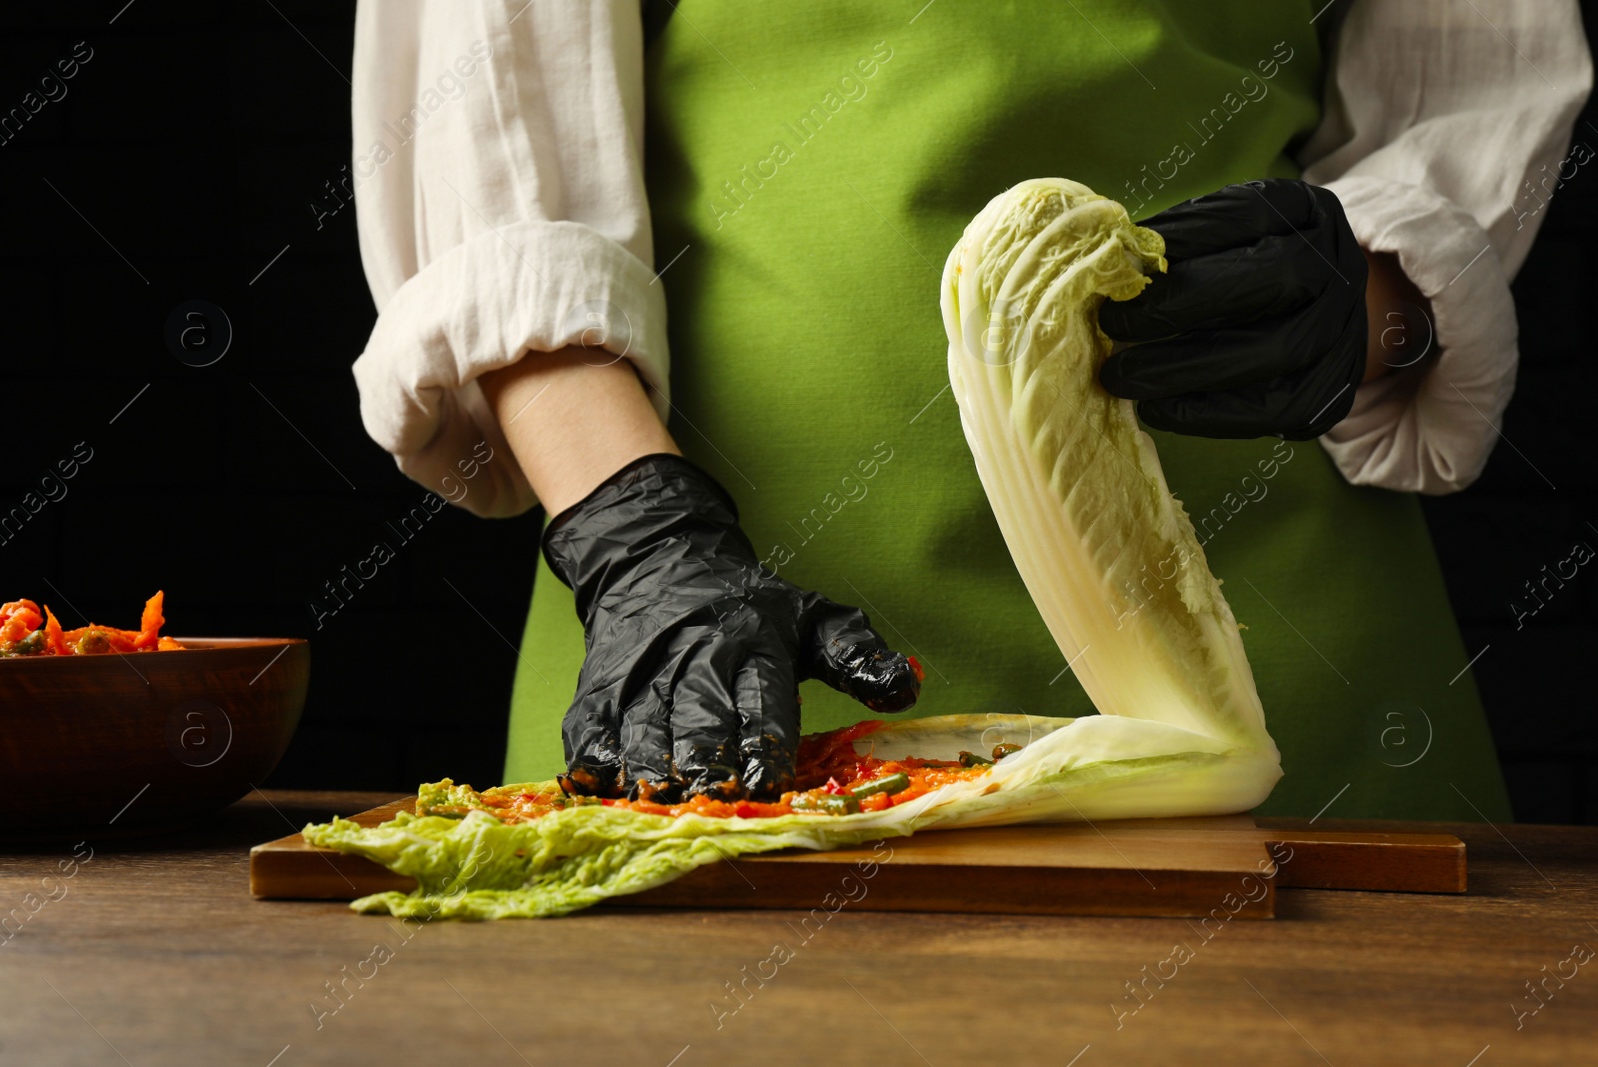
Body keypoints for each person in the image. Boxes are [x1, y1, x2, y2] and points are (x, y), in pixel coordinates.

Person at [348, 1, 1591, 818]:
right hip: (716, 650)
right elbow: (495, 119)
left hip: (1277, 648)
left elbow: (1473, 87)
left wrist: (1363, 305)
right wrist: (638, 543)